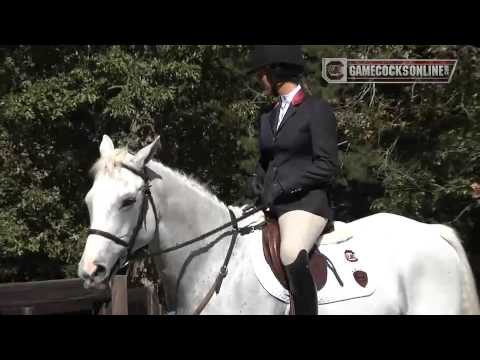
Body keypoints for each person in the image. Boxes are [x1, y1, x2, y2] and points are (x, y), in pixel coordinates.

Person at [247, 45, 339, 315]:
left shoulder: (316, 110)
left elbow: (326, 166)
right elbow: (267, 160)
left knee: (290, 252)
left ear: (276, 72)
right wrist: (257, 180)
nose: (258, 79)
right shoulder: (268, 116)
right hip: (272, 205)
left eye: (260, 73)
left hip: (306, 204)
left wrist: (286, 186)